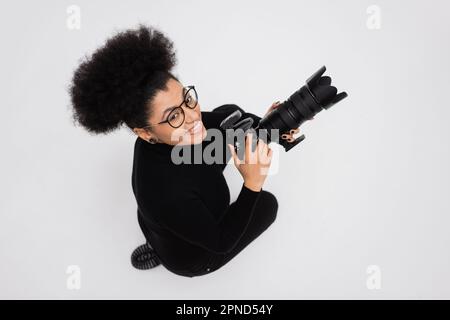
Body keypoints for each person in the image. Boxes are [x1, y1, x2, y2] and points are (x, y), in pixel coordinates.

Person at [69, 24, 296, 277]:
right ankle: (160, 253)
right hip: (195, 255)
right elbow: (221, 243)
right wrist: (252, 185)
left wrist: (276, 128)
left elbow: (229, 121)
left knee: (229, 116)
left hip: (167, 219)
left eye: (187, 100)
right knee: (266, 204)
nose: (193, 117)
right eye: (174, 115)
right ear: (144, 133)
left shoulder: (175, 133)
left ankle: (159, 239)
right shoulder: (162, 191)